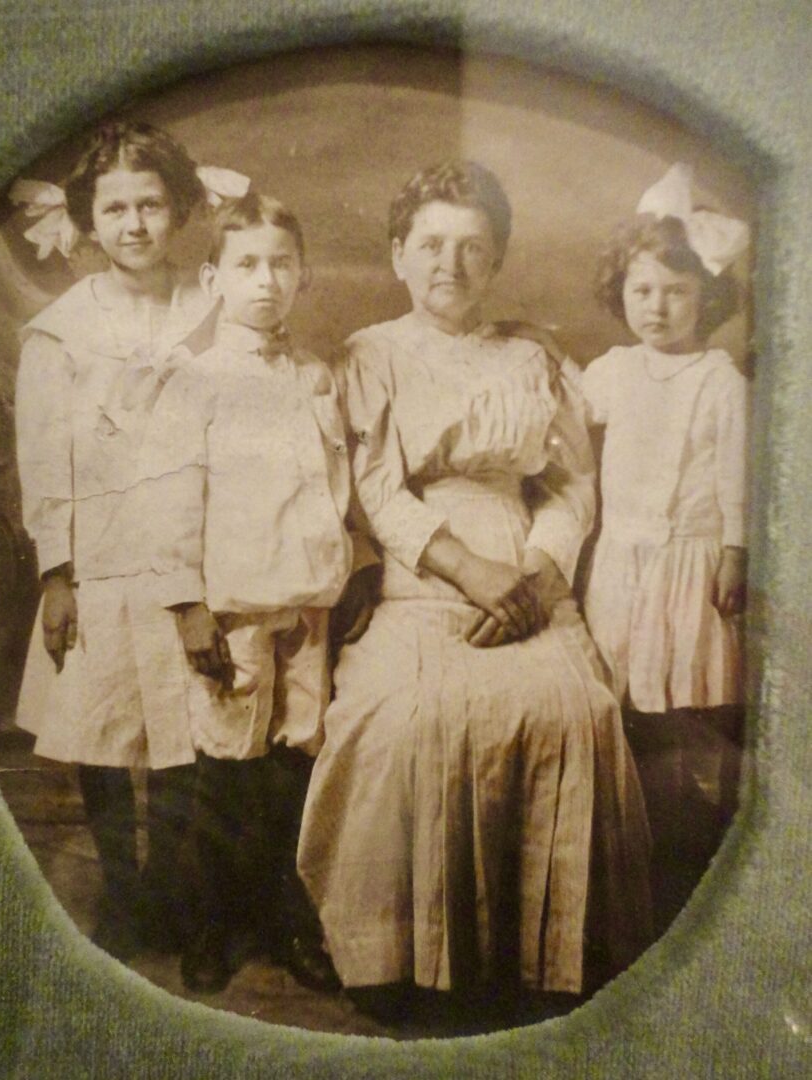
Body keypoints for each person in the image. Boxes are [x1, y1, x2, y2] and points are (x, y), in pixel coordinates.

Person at [297, 161, 652, 1020]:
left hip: (529, 567)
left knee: (575, 711)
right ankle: (391, 950)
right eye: (430, 245)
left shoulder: (533, 354)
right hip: (424, 573)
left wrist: (534, 574)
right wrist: (470, 571)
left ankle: (547, 949)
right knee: (405, 719)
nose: (448, 264)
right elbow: (376, 491)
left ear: (494, 262)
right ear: (397, 255)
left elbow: (570, 486)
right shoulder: (369, 355)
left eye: (471, 248)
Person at [136, 192, 360, 994]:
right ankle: (209, 925)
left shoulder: (316, 377)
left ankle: (284, 922)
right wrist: (188, 605)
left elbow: (331, 486)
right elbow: (170, 500)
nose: (264, 282)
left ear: (301, 276)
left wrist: (339, 573)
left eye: (280, 264)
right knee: (224, 773)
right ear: (213, 278)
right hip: (230, 607)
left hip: (305, 602)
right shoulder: (194, 381)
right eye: (246, 265)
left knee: (295, 762)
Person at [13, 120, 215, 961]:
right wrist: (57, 573)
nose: (134, 225)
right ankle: (124, 892)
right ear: (89, 222)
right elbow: (43, 455)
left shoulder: (210, 304)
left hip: (191, 550)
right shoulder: (63, 329)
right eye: (116, 209)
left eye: (151, 204)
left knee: (183, 734)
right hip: (98, 555)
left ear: (178, 210)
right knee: (100, 728)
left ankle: (176, 890)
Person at [582, 163, 750, 925]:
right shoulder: (612, 372)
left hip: (688, 565)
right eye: (641, 290)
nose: (656, 306)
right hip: (622, 563)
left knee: (684, 711)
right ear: (620, 294)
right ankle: (628, 869)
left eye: (675, 291)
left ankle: (688, 872)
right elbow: (558, 416)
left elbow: (734, 476)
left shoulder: (719, 380)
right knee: (624, 707)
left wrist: (734, 551)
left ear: (705, 299)